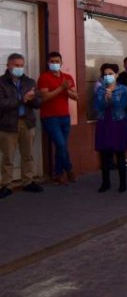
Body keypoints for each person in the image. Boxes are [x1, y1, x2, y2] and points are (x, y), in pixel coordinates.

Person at [0, 53, 43, 198]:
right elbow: (2, 104)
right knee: (8, 157)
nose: (19, 68)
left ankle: (28, 182)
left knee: (28, 155)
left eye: (21, 65)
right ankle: (6, 185)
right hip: (8, 125)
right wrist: (22, 100)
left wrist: (31, 99)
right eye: (16, 65)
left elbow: (38, 103)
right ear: (8, 66)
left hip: (27, 122)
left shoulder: (29, 82)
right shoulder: (1, 82)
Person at [38, 51, 78, 184]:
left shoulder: (67, 77)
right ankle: (69, 168)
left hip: (65, 117)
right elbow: (45, 97)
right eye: (52, 62)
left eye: (57, 61)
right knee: (61, 144)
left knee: (62, 146)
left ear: (61, 63)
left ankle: (58, 174)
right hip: (50, 117)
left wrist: (66, 90)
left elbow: (76, 96)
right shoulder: (44, 77)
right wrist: (61, 88)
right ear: (48, 63)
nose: (55, 64)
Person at [94, 63, 127, 192]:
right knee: (104, 154)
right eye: (105, 74)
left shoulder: (123, 89)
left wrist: (112, 98)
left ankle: (123, 183)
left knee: (119, 153)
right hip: (104, 122)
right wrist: (104, 99)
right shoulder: (100, 89)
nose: (107, 77)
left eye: (110, 74)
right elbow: (97, 107)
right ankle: (105, 182)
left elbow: (122, 105)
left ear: (116, 75)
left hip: (118, 123)